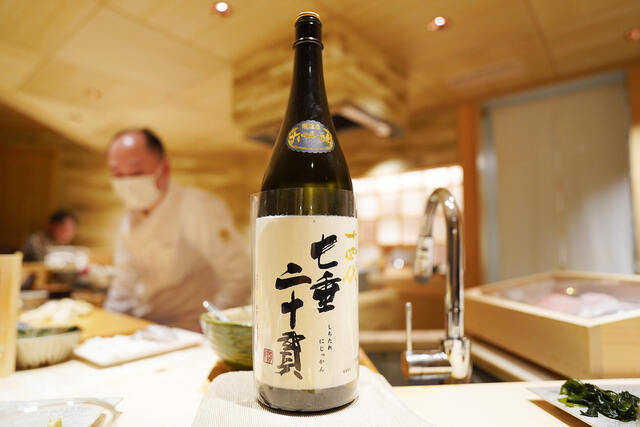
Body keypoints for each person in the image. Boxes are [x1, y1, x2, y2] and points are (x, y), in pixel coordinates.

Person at [104, 128, 251, 330]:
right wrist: (109, 324)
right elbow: (123, 283)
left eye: (136, 172)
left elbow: (240, 274)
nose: (127, 182)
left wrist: (213, 324)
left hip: (190, 328)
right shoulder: (128, 220)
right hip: (148, 324)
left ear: (164, 169)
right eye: (117, 174)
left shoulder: (196, 207)